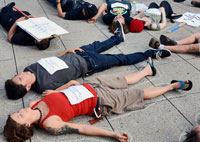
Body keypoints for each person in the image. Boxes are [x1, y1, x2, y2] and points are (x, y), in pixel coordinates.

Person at [3, 58, 193, 142]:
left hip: (90, 85)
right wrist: (112, 134)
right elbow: (83, 129)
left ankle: (146, 71)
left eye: (16, 112)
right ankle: (171, 87)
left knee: (124, 79)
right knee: (138, 93)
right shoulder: (50, 124)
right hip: (100, 101)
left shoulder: (31, 105)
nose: (20, 111)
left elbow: (53, 96)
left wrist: (66, 85)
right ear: (27, 124)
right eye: (19, 116)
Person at [4, 20, 171, 100]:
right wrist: (56, 93)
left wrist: (66, 51)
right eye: (20, 78)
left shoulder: (29, 68)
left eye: (17, 75)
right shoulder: (44, 86)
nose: (21, 73)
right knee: (121, 59)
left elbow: (51, 60)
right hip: (89, 64)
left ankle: (118, 38)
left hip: (77, 53)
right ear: (26, 86)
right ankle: (151, 53)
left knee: (100, 44)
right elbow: (72, 84)